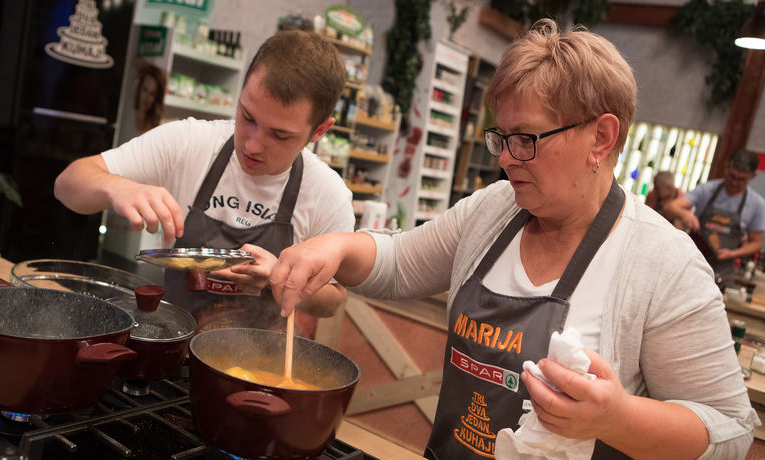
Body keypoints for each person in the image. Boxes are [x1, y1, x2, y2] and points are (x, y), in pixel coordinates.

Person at [270, 19, 756, 459]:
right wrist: (334, 246)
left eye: (526, 139)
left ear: (602, 138)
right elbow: (397, 261)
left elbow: (731, 432)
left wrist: (616, 418)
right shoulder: (494, 209)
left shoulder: (662, 263)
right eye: (500, 138)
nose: (505, 158)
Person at [54, 29, 354, 336]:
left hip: (257, 362)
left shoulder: (328, 195)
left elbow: (333, 300)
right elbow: (67, 184)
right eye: (247, 116)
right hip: (172, 343)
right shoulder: (189, 142)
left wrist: (280, 278)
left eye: (279, 135)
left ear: (319, 131)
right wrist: (116, 186)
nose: (252, 145)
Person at [663, 149, 765, 278]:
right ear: (727, 167)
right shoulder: (707, 190)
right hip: (691, 265)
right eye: (732, 176)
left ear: (752, 176)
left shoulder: (757, 204)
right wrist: (685, 214)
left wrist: (733, 254)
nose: (734, 182)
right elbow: (670, 207)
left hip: (723, 272)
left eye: (741, 179)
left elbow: (756, 244)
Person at [134, 63, 166, 134]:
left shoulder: (154, 126)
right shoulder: (130, 114)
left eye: (152, 93)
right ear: (139, 89)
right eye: (145, 90)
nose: (147, 98)